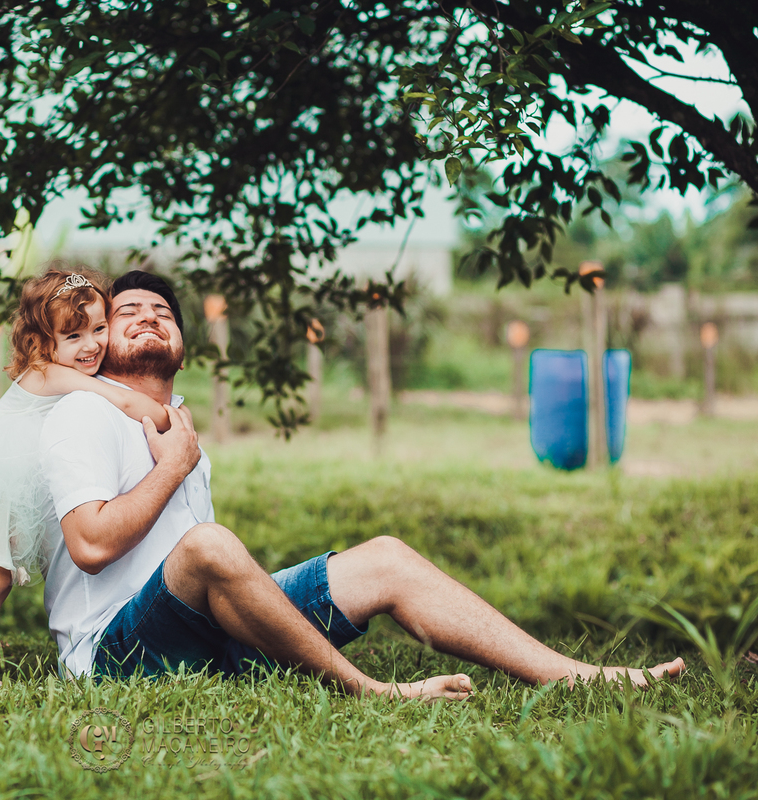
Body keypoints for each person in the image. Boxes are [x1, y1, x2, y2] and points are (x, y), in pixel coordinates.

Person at [38, 270, 686, 700]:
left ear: (183, 345)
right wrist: (173, 468)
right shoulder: (83, 413)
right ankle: (372, 691)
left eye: (163, 312)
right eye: (127, 313)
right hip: (117, 656)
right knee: (208, 545)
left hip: (207, 639)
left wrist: (180, 459)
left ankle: (581, 677)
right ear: (95, 342)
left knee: (385, 559)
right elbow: (91, 544)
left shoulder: (179, 430)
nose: (149, 317)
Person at [0, 267, 172, 685]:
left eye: (100, 328)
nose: (92, 345)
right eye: (73, 336)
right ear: (41, 343)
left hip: (7, 478)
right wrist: (167, 416)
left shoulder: (62, 367)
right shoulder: (52, 371)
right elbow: (122, 400)